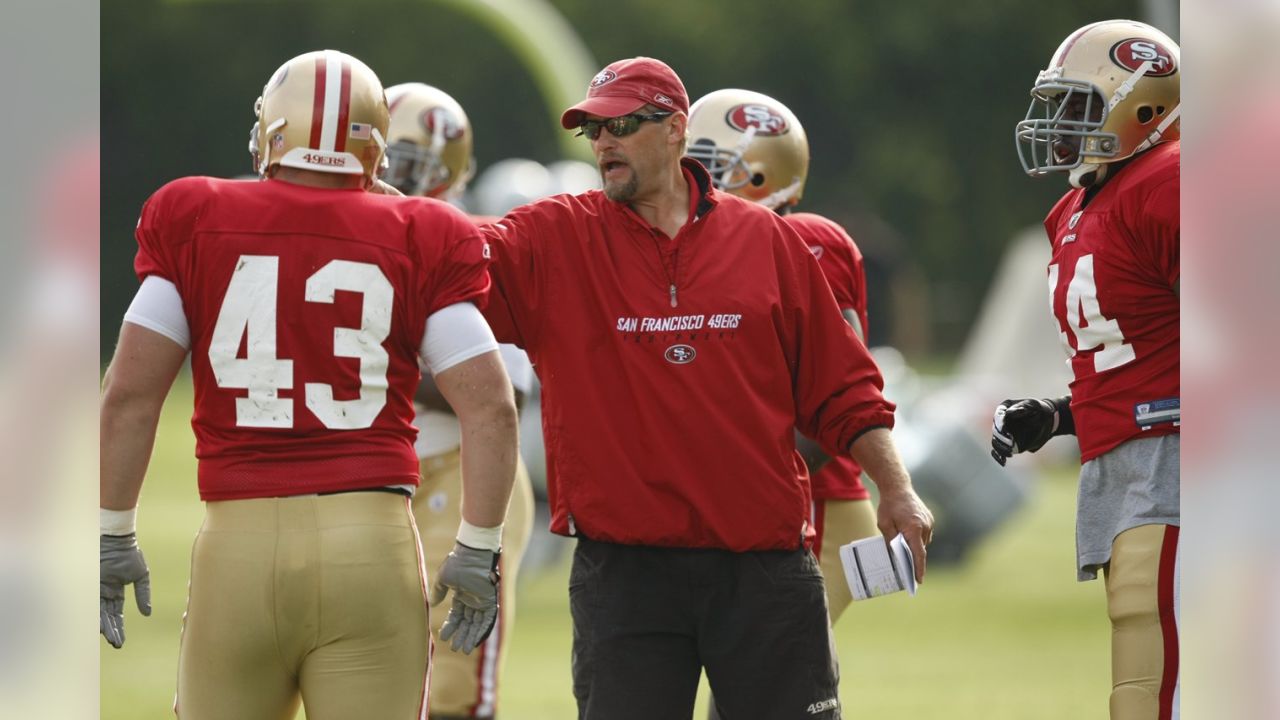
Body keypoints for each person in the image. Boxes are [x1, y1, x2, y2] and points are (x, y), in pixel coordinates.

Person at [481, 56, 933, 720]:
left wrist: (896, 488)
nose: (604, 143)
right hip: (624, 573)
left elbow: (843, 386)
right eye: (594, 131)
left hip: (764, 568)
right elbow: (453, 259)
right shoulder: (554, 238)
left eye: (624, 125)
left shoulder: (767, 241)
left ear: (675, 131)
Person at [99, 49, 519, 720]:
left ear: (273, 130)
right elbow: (492, 406)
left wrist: (112, 530)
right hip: (371, 542)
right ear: (377, 147)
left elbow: (129, 394)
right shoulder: (425, 231)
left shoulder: (195, 213)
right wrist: (481, 547)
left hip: (237, 543)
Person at [995, 20, 1180, 720]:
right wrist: (1062, 414)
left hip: (1184, 459)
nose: (1061, 125)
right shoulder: (1072, 209)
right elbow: (1140, 348)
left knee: (1160, 688)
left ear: (1143, 107)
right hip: (1126, 458)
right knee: (1145, 684)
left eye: (1078, 106)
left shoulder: (1172, 179)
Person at [685, 88, 881, 718]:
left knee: (768, 690)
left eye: (711, 164)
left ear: (765, 172)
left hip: (821, 506)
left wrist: (750, 471)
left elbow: (836, 387)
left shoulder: (805, 237)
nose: (689, 178)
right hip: (760, 506)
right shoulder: (700, 249)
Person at [385, 81, 536, 720]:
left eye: (408, 163)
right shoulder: (340, 238)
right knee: (366, 673)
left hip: (460, 470)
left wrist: (377, 361)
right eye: (383, 155)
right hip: (369, 483)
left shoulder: (472, 242)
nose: (387, 175)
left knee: (453, 681)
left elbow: (506, 393)